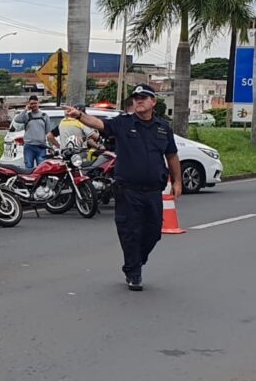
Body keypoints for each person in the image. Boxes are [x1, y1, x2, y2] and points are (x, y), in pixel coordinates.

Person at [64, 85, 180, 291]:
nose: (138, 101)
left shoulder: (163, 128)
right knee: (130, 232)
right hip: (128, 189)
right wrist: (80, 115)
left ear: (153, 102)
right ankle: (134, 272)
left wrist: (177, 181)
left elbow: (171, 155)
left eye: (143, 98)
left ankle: (136, 261)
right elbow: (99, 123)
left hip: (153, 190)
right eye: (136, 98)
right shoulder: (123, 123)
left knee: (153, 233)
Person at [13, 95, 52, 168]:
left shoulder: (44, 116)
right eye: (31, 104)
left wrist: (50, 147)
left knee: (42, 169)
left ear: (38, 103)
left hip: (41, 147)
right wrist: (25, 110)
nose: (33, 105)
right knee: (28, 169)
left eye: (35, 103)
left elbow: (48, 133)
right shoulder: (27, 116)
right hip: (29, 147)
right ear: (29, 105)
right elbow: (17, 120)